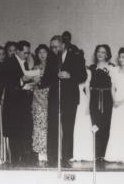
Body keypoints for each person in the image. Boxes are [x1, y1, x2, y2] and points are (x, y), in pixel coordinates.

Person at [47, 35, 87, 167]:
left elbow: (83, 76)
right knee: (53, 127)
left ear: (63, 45)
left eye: (56, 47)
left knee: (68, 128)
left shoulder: (76, 56)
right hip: (54, 96)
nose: (53, 49)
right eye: (52, 47)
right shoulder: (51, 58)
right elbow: (47, 77)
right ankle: (52, 157)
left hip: (70, 98)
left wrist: (70, 75)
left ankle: (66, 157)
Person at [3, 40, 35, 165]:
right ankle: (15, 159)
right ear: (18, 51)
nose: (26, 55)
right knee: (14, 132)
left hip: (23, 104)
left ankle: (23, 157)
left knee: (23, 131)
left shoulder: (25, 63)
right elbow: (8, 82)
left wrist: (30, 84)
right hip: (13, 104)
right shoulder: (9, 62)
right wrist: (22, 80)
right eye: (24, 53)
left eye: (28, 53)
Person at [31, 44, 57, 164]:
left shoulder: (52, 67)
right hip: (38, 101)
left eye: (44, 52)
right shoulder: (35, 68)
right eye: (39, 52)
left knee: (50, 127)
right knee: (39, 127)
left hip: (51, 99)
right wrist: (41, 101)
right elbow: (33, 87)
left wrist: (49, 100)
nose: (42, 55)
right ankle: (41, 153)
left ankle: (51, 152)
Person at [89, 45, 114, 163]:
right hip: (94, 97)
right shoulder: (91, 68)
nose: (100, 54)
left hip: (107, 98)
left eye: (103, 52)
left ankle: (103, 153)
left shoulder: (112, 67)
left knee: (106, 124)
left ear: (107, 55)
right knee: (95, 124)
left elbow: (116, 85)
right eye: (98, 51)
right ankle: (96, 152)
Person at [71, 64, 93, 162]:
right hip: (71, 100)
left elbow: (87, 90)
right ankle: (75, 153)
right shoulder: (71, 69)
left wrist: (88, 107)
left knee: (83, 125)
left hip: (82, 101)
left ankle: (86, 153)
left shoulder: (87, 71)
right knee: (73, 127)